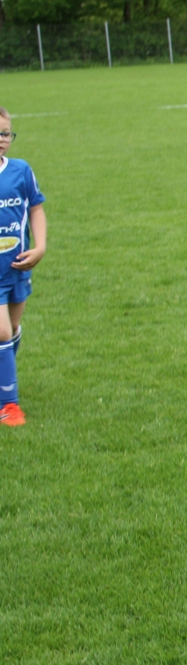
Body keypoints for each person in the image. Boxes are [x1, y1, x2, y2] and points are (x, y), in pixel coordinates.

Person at [0, 109, 46, 428]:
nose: (1, 140)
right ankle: (8, 405)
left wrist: (39, 246)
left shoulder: (21, 170)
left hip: (17, 267)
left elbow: (36, 209)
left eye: (5, 133)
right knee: (2, 332)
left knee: (13, 329)